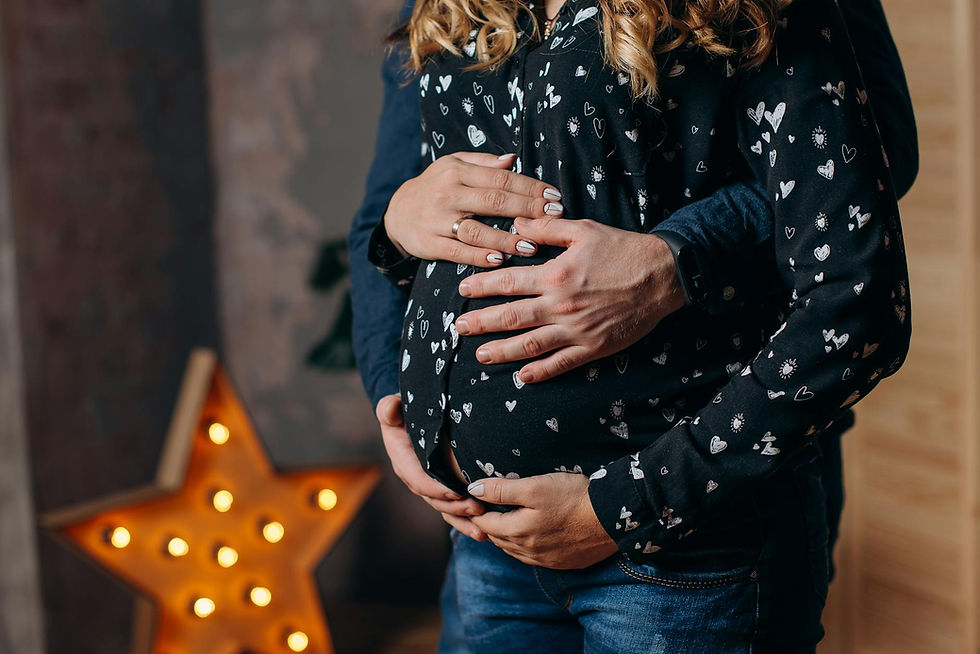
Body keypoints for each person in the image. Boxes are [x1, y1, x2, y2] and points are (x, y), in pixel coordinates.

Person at [348, 0, 916, 651]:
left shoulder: (746, 9)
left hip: (680, 545)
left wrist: (680, 257)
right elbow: (386, 213)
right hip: (488, 536)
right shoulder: (452, 7)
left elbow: (864, 209)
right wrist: (396, 396)